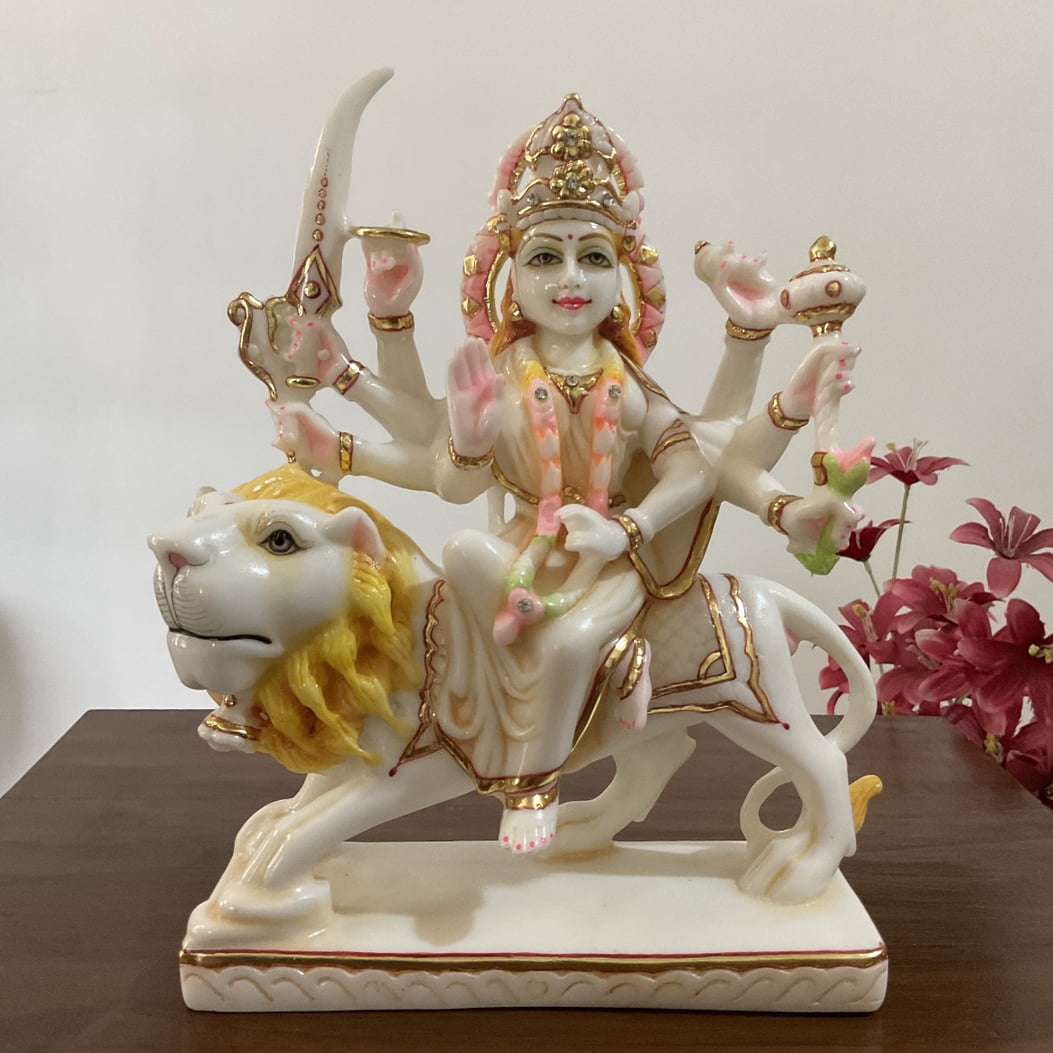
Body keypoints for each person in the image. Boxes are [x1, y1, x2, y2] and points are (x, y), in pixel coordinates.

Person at [273, 94, 859, 853]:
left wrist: (625, 529)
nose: (569, 278)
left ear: (626, 278)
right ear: (508, 275)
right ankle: (442, 731)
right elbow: (452, 484)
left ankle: (533, 783)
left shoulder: (628, 386)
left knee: (569, 641)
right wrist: (468, 440)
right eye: (545, 257)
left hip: (605, 561)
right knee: (449, 571)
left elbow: (693, 471)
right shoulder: (501, 374)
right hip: (519, 551)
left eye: (594, 258)